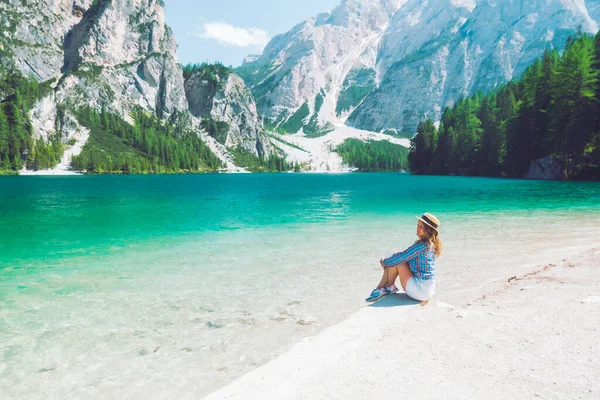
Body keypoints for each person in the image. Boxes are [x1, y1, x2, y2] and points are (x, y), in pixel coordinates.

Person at [366, 213, 442, 302]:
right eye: (418, 225)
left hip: (420, 291)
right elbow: (406, 257)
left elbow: (402, 257)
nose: (417, 228)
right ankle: (389, 287)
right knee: (396, 257)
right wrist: (389, 260)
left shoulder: (422, 246)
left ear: (428, 230)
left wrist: (384, 262)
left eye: (421, 227)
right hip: (428, 289)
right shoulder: (431, 245)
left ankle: (381, 287)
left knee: (398, 260)